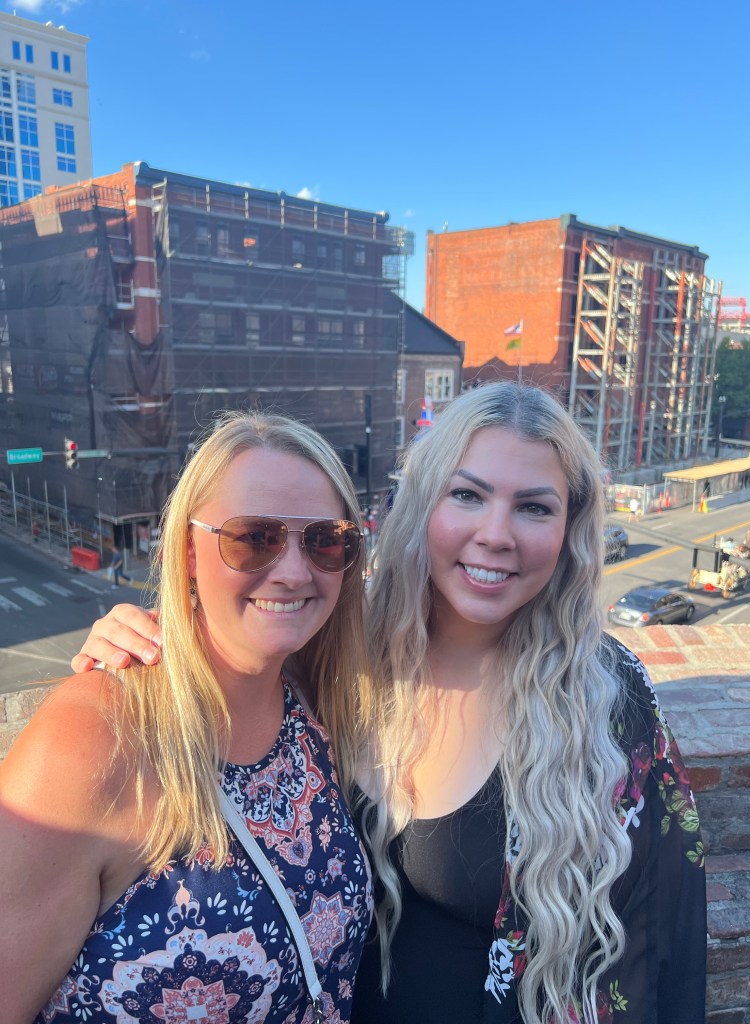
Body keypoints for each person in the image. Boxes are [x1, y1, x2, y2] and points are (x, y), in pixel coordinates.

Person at [69, 383, 706, 1024]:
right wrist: (145, 638)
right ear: (421, 503)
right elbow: (235, 636)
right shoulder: (335, 653)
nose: (496, 535)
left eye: (534, 507)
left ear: (569, 529)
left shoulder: (605, 696)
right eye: (468, 495)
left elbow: (660, 944)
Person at [0, 411, 373, 1024]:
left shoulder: (315, 704)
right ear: (188, 552)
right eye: (253, 538)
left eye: (326, 540)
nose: (293, 571)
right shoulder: (96, 737)